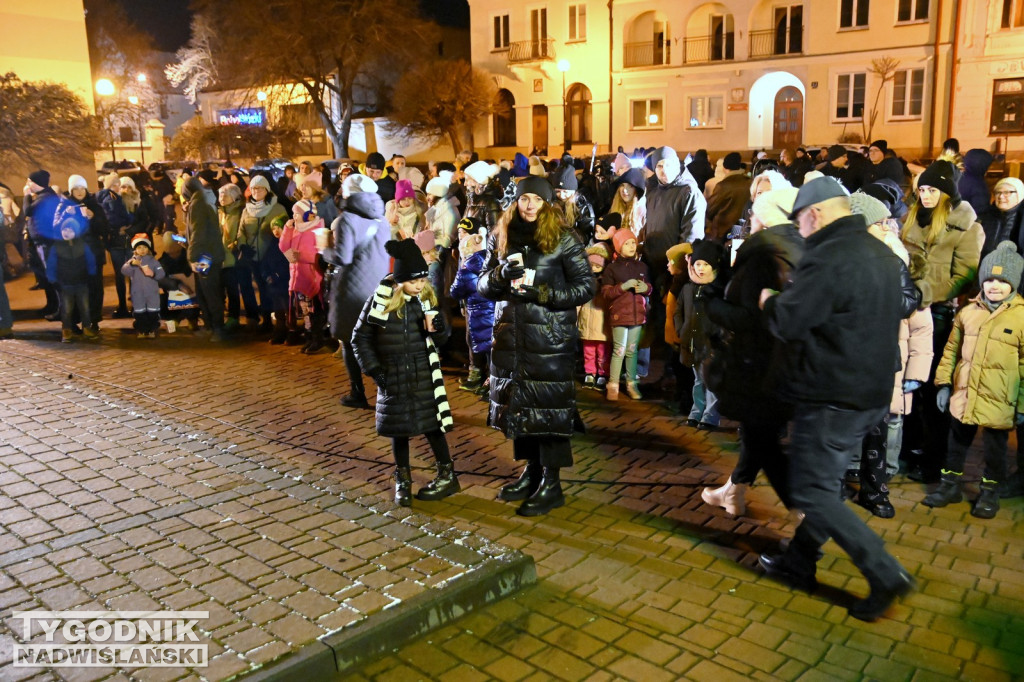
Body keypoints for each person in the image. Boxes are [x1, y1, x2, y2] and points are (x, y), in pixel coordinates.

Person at [758, 176, 916, 622]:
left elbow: (791, 322)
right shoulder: (880, 252)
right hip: (871, 389)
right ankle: (799, 561)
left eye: (801, 221)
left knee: (814, 490)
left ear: (816, 213)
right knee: (825, 485)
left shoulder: (827, 258)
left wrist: (770, 299)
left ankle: (885, 574)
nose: (800, 231)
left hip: (832, 391)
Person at [478, 176, 595, 516]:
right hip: (512, 335)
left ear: (547, 203)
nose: (529, 205)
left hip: (548, 336)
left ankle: (552, 484)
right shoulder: (500, 234)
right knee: (520, 405)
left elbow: (585, 287)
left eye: (536, 200)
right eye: (524, 198)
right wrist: (499, 275)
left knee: (549, 408)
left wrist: (544, 295)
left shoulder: (563, 239)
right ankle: (531, 473)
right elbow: (483, 284)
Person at [699, 187, 804, 516]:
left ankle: (805, 515)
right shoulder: (797, 248)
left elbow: (749, 317)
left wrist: (711, 302)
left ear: (765, 217)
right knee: (761, 433)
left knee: (764, 440)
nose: (750, 219)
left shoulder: (763, 255)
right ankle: (735, 491)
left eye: (755, 212)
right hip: (780, 357)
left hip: (757, 360)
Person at [351, 238, 456, 506]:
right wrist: (374, 370)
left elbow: (440, 340)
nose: (420, 286)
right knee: (399, 431)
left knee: (433, 427)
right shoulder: (380, 302)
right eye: (414, 282)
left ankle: (447, 474)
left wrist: (441, 328)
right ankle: (403, 479)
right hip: (393, 374)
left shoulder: (426, 300)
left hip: (423, 373)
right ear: (399, 281)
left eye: (422, 280)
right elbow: (360, 338)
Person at [924, 241, 1024, 519]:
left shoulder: (1021, 317)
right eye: (989, 278)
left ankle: (990, 492)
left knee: (995, 449)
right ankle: (950, 485)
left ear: (1013, 284)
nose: (994, 285)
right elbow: (951, 351)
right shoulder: (967, 313)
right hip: (964, 393)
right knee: (956, 443)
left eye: (1002, 280)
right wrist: (944, 384)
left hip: (1000, 398)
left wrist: (1023, 403)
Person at [901, 157, 984, 482]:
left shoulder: (966, 227)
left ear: (947, 192)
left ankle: (933, 460)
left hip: (937, 312)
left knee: (934, 387)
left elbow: (965, 276)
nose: (926, 195)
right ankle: (907, 449)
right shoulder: (910, 217)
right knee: (908, 381)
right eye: (922, 189)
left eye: (933, 190)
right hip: (905, 308)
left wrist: (926, 293)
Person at [323, 174, 390, 408]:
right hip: (378, 288)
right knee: (377, 342)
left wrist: (324, 249)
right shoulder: (383, 219)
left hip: (352, 290)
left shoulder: (346, 220)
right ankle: (389, 390)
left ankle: (357, 392)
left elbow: (342, 257)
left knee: (350, 342)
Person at [677, 239, 726, 429]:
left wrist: (718, 335)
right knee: (698, 380)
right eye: (698, 264)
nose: (701, 268)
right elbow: (679, 310)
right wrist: (681, 328)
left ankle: (711, 415)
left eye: (706, 264)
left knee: (711, 381)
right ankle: (697, 411)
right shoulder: (688, 288)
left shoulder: (716, 290)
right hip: (692, 341)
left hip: (710, 343)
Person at [600, 228, 650, 401]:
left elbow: (649, 288)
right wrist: (623, 286)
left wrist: (647, 289)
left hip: (637, 315)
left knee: (631, 350)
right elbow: (606, 293)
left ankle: (631, 384)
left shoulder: (642, 267)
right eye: (626, 243)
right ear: (618, 247)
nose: (631, 246)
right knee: (619, 350)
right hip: (620, 315)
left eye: (633, 243)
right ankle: (613, 384)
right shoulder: (612, 269)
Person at [238, 175, 289, 332]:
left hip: (273, 258)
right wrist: (243, 246)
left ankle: (281, 323)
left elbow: (286, 232)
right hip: (253, 257)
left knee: (274, 289)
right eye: (253, 188)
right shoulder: (247, 210)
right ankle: (266, 320)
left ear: (266, 189)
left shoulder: (277, 208)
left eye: (259, 188)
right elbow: (241, 231)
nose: (256, 191)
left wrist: (276, 249)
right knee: (261, 288)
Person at [450, 224, 495, 396]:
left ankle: (487, 384)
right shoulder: (490, 263)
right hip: (492, 311)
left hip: (477, 314)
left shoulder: (466, 270)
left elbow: (455, 291)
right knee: (493, 350)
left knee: (482, 346)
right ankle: (490, 381)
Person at [47, 197, 99, 342]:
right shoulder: (57, 247)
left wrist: (91, 274)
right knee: (67, 309)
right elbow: (51, 264)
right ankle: (67, 330)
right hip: (65, 283)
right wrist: (52, 278)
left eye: (70, 230)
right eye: (64, 230)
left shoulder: (83, 245)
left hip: (81, 281)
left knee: (85, 307)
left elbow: (90, 261)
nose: (66, 233)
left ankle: (87, 327)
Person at [182, 177, 227, 342]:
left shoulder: (198, 203)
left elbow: (198, 232)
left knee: (209, 291)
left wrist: (191, 255)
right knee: (203, 291)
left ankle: (217, 328)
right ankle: (210, 326)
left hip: (205, 256)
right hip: (207, 253)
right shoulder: (202, 200)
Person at [280, 199, 327, 353]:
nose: (294, 216)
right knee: (304, 311)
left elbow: (320, 254)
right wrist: (287, 230)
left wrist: (300, 256)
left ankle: (317, 338)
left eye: (297, 213)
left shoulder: (317, 230)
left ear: (307, 215)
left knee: (314, 310)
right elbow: (284, 247)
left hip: (311, 277)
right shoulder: (296, 229)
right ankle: (308, 338)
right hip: (297, 276)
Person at [65, 175, 109, 330]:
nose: (78, 191)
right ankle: (75, 320)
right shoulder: (65, 206)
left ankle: (93, 320)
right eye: (75, 188)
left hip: (93, 254)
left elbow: (104, 229)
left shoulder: (95, 206)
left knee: (95, 288)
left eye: (81, 188)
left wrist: (93, 217)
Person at [578, 245, 612, 391]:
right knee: (589, 350)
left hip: (602, 322)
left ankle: (603, 373)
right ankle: (590, 372)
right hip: (587, 319)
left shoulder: (606, 282)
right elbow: (579, 301)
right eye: (591, 265)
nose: (594, 268)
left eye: (597, 265)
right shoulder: (584, 280)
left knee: (603, 351)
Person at [120, 234, 165, 338]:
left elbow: (161, 273)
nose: (142, 250)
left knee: (153, 311)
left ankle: (152, 329)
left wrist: (153, 274)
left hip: (152, 292)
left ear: (148, 248)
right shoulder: (132, 261)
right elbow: (124, 270)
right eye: (139, 247)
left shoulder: (153, 261)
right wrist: (131, 264)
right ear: (135, 249)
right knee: (139, 312)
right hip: (137, 292)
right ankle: (142, 329)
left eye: (144, 247)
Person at [608, 169, 646, 239]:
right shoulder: (614, 209)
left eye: (630, 186)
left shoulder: (643, 212)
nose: (625, 190)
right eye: (622, 185)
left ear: (636, 189)